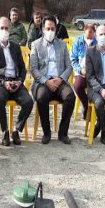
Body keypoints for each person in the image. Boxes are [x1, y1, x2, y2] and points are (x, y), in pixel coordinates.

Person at [0, 17, 34, 146]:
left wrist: (19, 81)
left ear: (10, 29)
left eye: (6, 28)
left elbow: (23, 69)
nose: (4, 30)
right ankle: (5, 131)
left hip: (15, 82)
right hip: (1, 83)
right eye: (1, 28)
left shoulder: (15, 47)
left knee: (29, 101)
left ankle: (16, 130)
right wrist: (3, 83)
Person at [30, 15, 75, 144]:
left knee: (70, 96)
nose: (50, 31)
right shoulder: (36, 45)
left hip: (59, 80)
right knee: (41, 97)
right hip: (43, 81)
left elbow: (68, 66)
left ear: (56, 29)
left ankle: (62, 132)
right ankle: (46, 132)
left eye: (53, 29)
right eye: (48, 28)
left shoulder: (62, 45)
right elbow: (34, 69)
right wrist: (46, 81)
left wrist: (61, 79)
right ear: (43, 29)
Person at [70, 23, 97, 119]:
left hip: (94, 74)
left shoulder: (97, 42)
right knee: (77, 86)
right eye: (88, 33)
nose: (90, 36)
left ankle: (95, 109)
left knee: (97, 87)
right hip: (81, 72)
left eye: (92, 33)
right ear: (84, 31)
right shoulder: (78, 41)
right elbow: (73, 59)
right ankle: (86, 106)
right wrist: (80, 70)